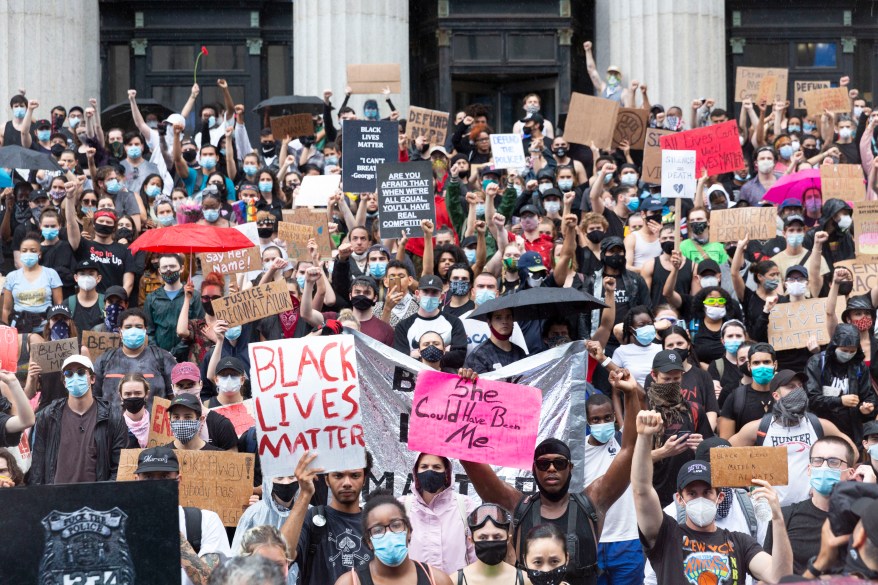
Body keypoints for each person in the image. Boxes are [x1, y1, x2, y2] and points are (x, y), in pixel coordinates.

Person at [460, 367, 641, 585]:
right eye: (544, 464)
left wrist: (630, 394)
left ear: (570, 468)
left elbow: (629, 450)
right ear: (534, 469)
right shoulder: (519, 506)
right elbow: (468, 457)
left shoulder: (592, 503)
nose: (552, 469)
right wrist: (465, 394)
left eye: (559, 463)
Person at [632, 410, 793, 584]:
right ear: (680, 499)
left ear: (720, 496)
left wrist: (778, 519)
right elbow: (642, 490)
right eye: (692, 493)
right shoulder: (667, 536)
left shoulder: (740, 542)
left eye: (707, 492)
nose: (700, 498)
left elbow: (780, 577)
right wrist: (643, 437)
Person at [730, 369, 856, 505]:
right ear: (776, 395)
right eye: (790, 387)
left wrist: (826, 485)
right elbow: (725, 459)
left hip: (810, 508)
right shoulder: (759, 428)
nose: (797, 390)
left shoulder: (818, 424)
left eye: (800, 386)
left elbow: (852, 453)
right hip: (771, 510)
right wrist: (750, 485)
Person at [131, 446, 231, 585]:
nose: (156, 485)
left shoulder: (206, 521)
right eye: (148, 477)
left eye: (165, 477)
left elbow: (210, 581)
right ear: (136, 480)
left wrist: (166, 524)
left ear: (178, 480)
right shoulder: (122, 525)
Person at [762, 437, 857, 574]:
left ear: (850, 473)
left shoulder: (860, 518)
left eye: (834, 462)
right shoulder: (784, 516)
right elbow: (769, 574)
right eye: (818, 461)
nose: (824, 467)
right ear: (809, 469)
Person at [29, 354, 127, 485]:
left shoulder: (113, 417)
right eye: (68, 374)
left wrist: (105, 495)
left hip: (96, 500)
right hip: (57, 499)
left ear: (92, 379)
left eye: (81, 372)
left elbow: (119, 466)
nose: (75, 377)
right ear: (64, 382)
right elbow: (37, 467)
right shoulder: (47, 416)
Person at [282, 451, 374, 585]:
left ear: (364, 479)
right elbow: (281, 556)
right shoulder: (312, 518)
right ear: (327, 479)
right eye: (338, 475)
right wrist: (305, 494)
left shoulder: (375, 524)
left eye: (355, 475)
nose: (347, 482)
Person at [581, 393, 644, 585]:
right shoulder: (576, 453)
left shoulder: (624, 444)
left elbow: (638, 407)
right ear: (587, 421)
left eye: (607, 418)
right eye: (596, 419)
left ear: (615, 417)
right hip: (591, 542)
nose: (602, 423)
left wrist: (628, 391)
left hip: (627, 539)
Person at [332, 490, 453, 585]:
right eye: (378, 530)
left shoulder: (438, 580)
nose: (388, 533)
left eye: (395, 525)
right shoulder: (349, 582)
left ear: (409, 530)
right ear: (369, 541)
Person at [404, 453, 476, 574]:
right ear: (416, 472)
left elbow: (475, 557)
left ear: (446, 473)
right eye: (424, 466)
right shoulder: (403, 507)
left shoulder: (465, 505)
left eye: (437, 467)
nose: (430, 471)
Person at [805, 322, 877, 445]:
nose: (848, 354)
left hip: (852, 427)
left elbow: (868, 395)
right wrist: (840, 401)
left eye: (852, 351)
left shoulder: (859, 366)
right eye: (844, 350)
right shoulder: (817, 363)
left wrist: (867, 408)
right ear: (834, 346)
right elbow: (811, 398)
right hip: (822, 426)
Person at [93, 307, 177, 410]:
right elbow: (94, 399)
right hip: (111, 425)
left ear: (145, 330)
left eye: (138, 326)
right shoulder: (105, 360)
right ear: (120, 331)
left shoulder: (163, 358)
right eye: (128, 327)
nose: (133, 330)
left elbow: (176, 397)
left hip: (152, 425)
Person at [394, 275, 467, 369]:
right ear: (417, 294)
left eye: (434, 292)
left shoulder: (454, 322)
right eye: (425, 291)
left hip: (445, 379)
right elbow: (401, 359)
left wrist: (416, 354)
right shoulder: (403, 326)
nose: (429, 296)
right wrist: (444, 353)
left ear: (442, 297)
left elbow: (459, 357)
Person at [145, 253, 205, 359]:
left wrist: (175, 352)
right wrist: (159, 354)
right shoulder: (152, 298)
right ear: (159, 271)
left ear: (181, 268)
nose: (168, 270)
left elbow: (198, 328)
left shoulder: (194, 296)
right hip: (159, 358)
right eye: (164, 267)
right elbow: (149, 331)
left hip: (188, 356)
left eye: (172, 266)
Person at [452, 504, 526, 585]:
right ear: (471, 540)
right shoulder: (453, 581)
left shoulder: (525, 580)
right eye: (483, 537)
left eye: (497, 537)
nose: (490, 542)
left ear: (508, 538)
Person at [718, 343, 780, 438]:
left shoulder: (785, 395)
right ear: (749, 366)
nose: (761, 367)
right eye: (756, 363)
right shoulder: (735, 398)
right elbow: (725, 444)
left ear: (775, 365)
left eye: (766, 362)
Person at [464, 308, 527, 374]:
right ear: (489, 322)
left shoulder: (520, 353)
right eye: (498, 318)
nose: (504, 321)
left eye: (508, 317)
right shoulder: (479, 355)